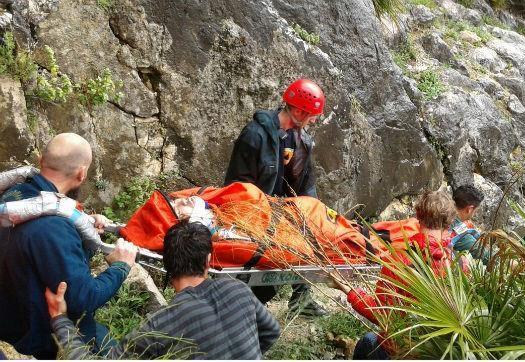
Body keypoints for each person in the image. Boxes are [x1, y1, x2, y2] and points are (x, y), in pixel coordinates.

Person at [46, 221, 281, 359]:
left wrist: (60, 320)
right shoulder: (238, 289)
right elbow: (271, 332)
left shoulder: (162, 325)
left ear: (167, 266)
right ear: (209, 260)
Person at [0, 133, 138, 359]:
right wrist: (121, 267)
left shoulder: (15, 194)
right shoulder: (54, 229)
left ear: (40, 160)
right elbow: (84, 299)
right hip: (43, 338)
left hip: (11, 316)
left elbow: (44, 254)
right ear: (82, 173)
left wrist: (85, 229)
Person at [224, 78, 327, 317]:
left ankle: (301, 301)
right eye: (312, 115)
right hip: (256, 211)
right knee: (267, 283)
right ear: (299, 111)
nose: (314, 120)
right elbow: (238, 186)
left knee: (309, 230)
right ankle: (242, 303)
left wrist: (312, 213)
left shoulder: (301, 140)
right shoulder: (254, 135)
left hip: (283, 208)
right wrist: (267, 212)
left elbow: (306, 184)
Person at [330, 190, 458, 359]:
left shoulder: (399, 260)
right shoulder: (457, 263)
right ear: (448, 224)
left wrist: (350, 291)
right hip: (441, 352)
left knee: (366, 343)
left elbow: (380, 313)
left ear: (417, 218)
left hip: (402, 351)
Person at [450, 185, 489, 264]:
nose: (474, 214)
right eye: (475, 211)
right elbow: (483, 254)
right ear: (469, 209)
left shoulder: (439, 212)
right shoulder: (457, 231)